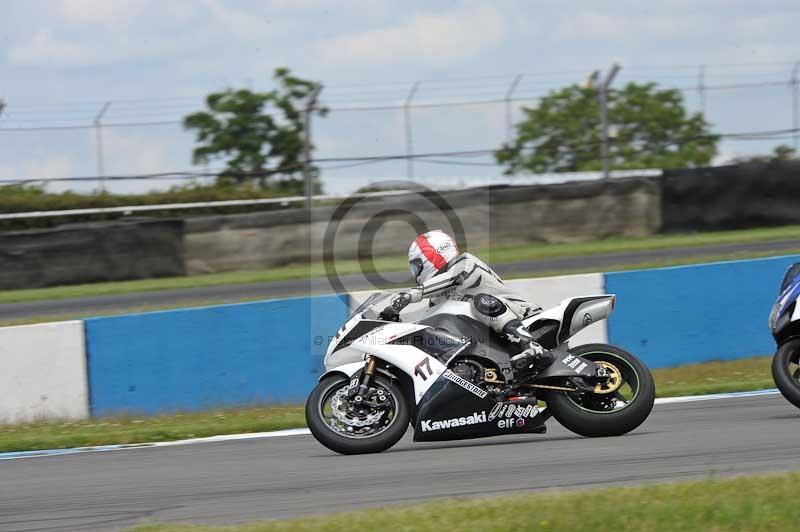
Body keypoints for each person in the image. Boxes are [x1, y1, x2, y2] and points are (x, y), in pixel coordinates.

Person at [384, 229, 554, 378]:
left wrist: (407, 297)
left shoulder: (465, 264)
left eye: (417, 265)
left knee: (481, 302)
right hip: (492, 339)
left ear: (433, 255)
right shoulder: (436, 299)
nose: (416, 272)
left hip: (525, 317)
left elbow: (450, 278)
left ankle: (531, 345)